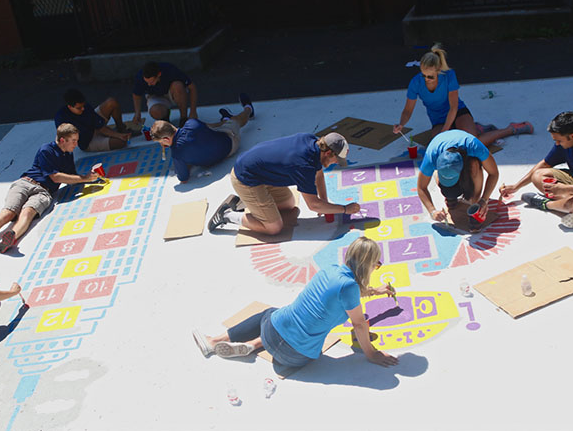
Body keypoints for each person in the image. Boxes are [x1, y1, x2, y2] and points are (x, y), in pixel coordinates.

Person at [192, 237, 399, 369]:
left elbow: (346, 292)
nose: (376, 267)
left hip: (272, 331)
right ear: (366, 265)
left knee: (270, 312)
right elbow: (359, 323)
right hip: (295, 357)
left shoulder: (331, 270)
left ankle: (222, 341)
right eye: (376, 264)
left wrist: (374, 291)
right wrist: (371, 354)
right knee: (290, 329)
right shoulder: (349, 288)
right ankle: (249, 344)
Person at [0, 124, 99, 259]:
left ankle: (11, 238)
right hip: (26, 183)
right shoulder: (46, 150)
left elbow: (72, 177)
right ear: (62, 140)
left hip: (44, 192)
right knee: (9, 212)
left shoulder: (68, 155)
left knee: (28, 212)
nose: (76, 144)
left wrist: (89, 178)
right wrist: (84, 178)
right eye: (74, 141)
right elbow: (55, 177)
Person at [207, 132, 360, 235]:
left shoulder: (313, 142)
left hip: (262, 173)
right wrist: (345, 209)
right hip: (246, 178)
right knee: (274, 227)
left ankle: (247, 202)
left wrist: (325, 203)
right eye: (336, 160)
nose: (336, 163)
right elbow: (313, 205)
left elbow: (319, 175)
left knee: (288, 205)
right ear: (328, 153)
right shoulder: (304, 166)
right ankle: (227, 215)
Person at [393, 44, 533, 146]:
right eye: (423, 75)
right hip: (438, 119)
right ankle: (478, 128)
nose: (426, 79)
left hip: (458, 112)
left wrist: (445, 131)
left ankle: (510, 129)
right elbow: (407, 110)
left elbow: (453, 107)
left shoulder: (449, 76)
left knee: (471, 144)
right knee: (443, 147)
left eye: (430, 76)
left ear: (439, 71)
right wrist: (401, 123)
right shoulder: (415, 82)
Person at [150, 93, 254, 183]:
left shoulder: (177, 154)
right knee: (227, 124)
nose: (162, 145)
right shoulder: (192, 123)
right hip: (226, 144)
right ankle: (230, 118)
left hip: (229, 145)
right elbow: (210, 127)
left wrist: (181, 160)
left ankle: (247, 110)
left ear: (166, 139)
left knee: (237, 121)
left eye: (161, 143)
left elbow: (184, 179)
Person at [502, 112, 573, 229]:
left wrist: (563, 189)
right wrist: (516, 186)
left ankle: (547, 204)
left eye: (559, 140)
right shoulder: (565, 143)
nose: (557, 144)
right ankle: (569, 206)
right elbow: (544, 164)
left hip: (571, 188)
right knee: (537, 175)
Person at [417, 129, 499, 232]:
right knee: (450, 192)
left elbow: (493, 173)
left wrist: (484, 200)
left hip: (467, 159)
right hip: (442, 146)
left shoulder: (474, 146)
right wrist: (432, 211)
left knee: (474, 165)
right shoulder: (432, 156)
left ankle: (475, 206)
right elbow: (421, 187)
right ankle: (450, 196)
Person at [55, 88, 132, 152]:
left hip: (95, 128)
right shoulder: (61, 119)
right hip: (88, 141)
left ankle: (121, 129)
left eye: (83, 106)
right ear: (70, 107)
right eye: (79, 108)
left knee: (111, 102)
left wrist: (119, 135)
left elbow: (100, 126)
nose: (83, 109)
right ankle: (115, 137)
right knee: (122, 142)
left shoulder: (85, 107)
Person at [131, 61, 198, 127]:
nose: (149, 84)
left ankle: (184, 118)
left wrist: (193, 111)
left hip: (172, 92)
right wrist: (137, 113)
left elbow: (192, 87)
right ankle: (165, 119)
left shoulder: (170, 69)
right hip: (155, 96)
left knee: (178, 86)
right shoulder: (140, 77)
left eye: (151, 82)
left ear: (159, 74)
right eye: (147, 82)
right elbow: (136, 95)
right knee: (155, 111)